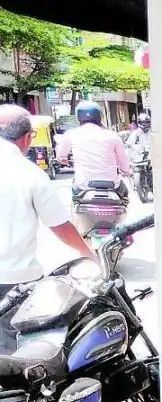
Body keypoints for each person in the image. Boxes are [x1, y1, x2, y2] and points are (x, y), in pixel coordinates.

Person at [0, 104, 92, 300]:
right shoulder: (27, 172)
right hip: (14, 280)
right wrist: (90, 255)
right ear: (27, 138)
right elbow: (60, 226)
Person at [56, 100, 132, 196]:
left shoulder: (71, 134)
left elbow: (60, 156)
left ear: (78, 117)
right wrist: (126, 171)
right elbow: (123, 161)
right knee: (125, 196)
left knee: (74, 197)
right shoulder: (112, 136)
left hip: (83, 185)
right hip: (112, 185)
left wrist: (63, 160)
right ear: (99, 116)